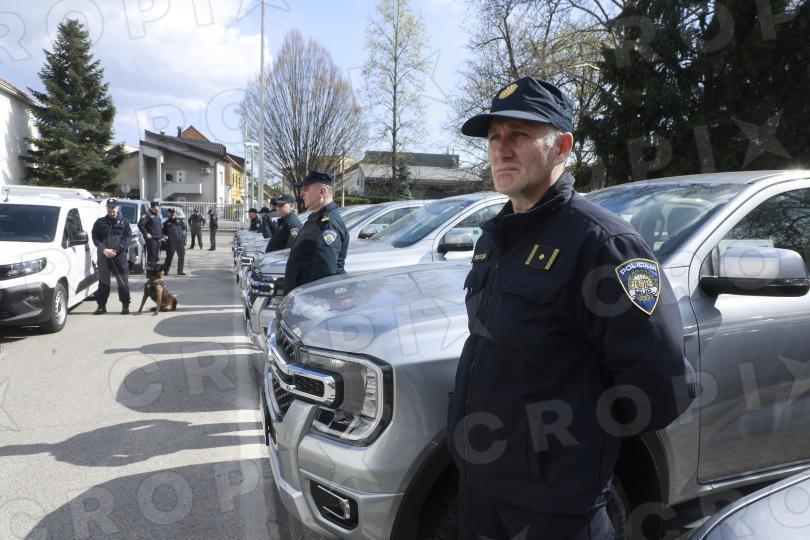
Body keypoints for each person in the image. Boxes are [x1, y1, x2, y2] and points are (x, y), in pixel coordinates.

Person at [446, 77, 696, 539]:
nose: (501, 149)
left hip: (554, 508)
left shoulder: (603, 244)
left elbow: (663, 386)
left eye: (519, 135)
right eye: (494, 137)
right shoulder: (495, 238)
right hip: (479, 487)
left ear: (563, 147)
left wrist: (570, 447)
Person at [284, 171, 348, 292]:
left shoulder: (328, 223)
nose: (301, 194)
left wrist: (310, 298)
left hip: (311, 297)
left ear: (322, 192)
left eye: (306, 189)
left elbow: (325, 270)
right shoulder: (317, 219)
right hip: (301, 294)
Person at [91, 198, 132, 314]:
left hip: (119, 256)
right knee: (103, 282)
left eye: (113, 208)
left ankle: (125, 305)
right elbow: (95, 237)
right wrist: (104, 250)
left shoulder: (125, 222)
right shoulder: (100, 222)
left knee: (123, 281)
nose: (111, 210)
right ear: (107, 209)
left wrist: (116, 250)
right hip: (104, 255)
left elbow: (127, 238)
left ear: (118, 208)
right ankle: (101, 306)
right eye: (109, 208)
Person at [162, 208, 187, 275]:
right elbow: (164, 233)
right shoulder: (166, 223)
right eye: (171, 213)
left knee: (181, 256)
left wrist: (184, 239)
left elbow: (184, 230)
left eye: (173, 212)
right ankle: (166, 271)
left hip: (180, 242)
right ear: (168, 214)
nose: (172, 214)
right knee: (169, 257)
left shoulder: (180, 221)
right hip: (171, 243)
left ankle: (180, 271)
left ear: (175, 213)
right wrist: (166, 240)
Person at [138, 201, 162, 267]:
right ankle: (150, 269)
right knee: (152, 256)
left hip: (157, 239)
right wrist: (146, 234)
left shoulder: (157, 215)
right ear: (154, 207)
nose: (159, 208)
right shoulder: (147, 215)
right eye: (158, 206)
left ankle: (153, 269)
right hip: (151, 239)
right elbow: (140, 225)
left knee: (156, 257)